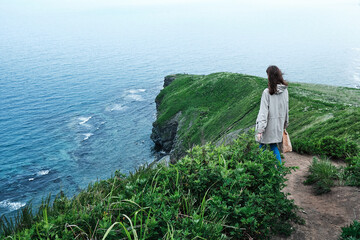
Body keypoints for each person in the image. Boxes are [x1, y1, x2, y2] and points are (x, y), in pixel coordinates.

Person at [255, 65, 289, 164]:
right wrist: (285, 125)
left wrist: (260, 130)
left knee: (262, 147)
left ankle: (262, 170)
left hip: (267, 127)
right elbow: (286, 110)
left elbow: (263, 113)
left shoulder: (267, 92)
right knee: (274, 147)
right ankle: (279, 171)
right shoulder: (285, 91)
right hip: (278, 125)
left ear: (270, 76)